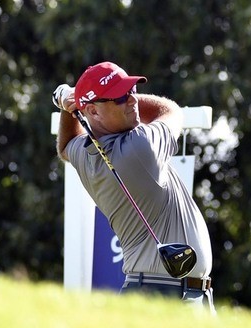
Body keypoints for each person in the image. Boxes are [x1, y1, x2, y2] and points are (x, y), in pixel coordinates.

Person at [52, 61, 214, 312]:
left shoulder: (85, 155)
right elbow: (171, 110)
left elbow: (65, 145)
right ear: (93, 112)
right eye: (119, 97)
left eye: (132, 92)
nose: (132, 101)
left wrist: (69, 106)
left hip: (164, 291)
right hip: (168, 294)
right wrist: (75, 100)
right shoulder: (140, 147)